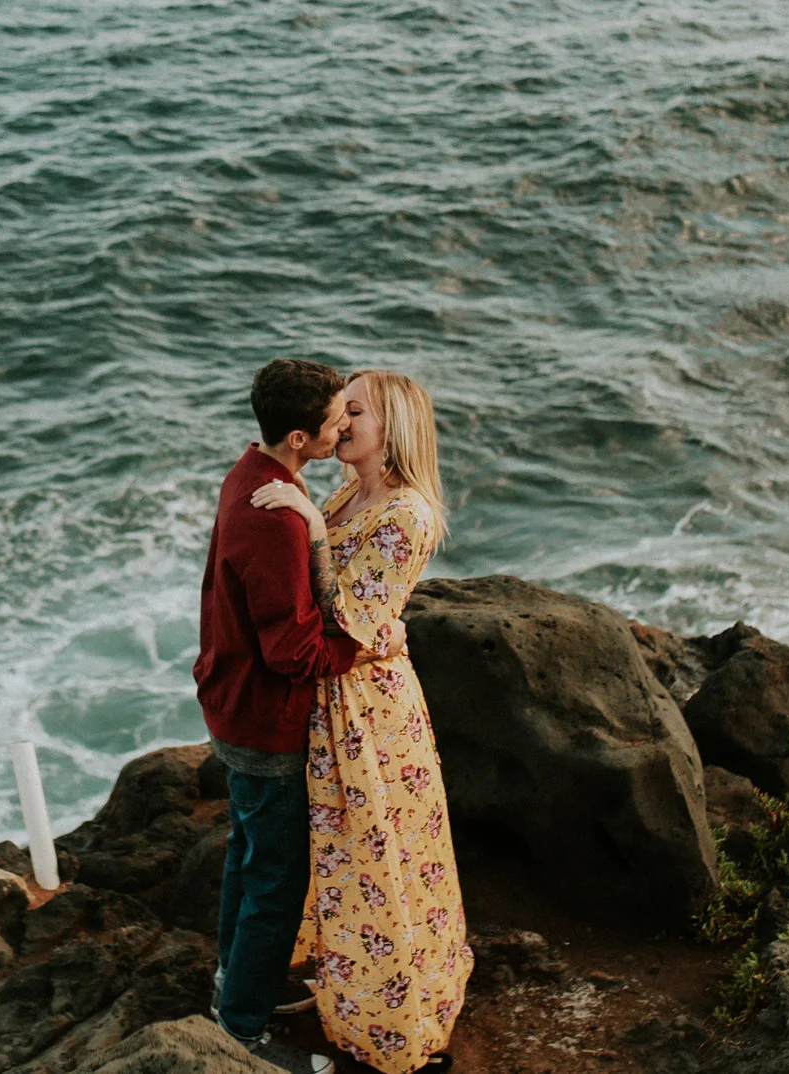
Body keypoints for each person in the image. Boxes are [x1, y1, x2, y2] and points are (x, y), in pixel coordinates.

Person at [253, 369, 472, 1074]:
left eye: (354, 411)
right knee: (339, 860)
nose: (338, 422)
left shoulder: (406, 514)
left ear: (393, 427)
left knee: (378, 858)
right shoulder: (350, 492)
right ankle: (344, 989)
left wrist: (311, 526)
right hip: (333, 700)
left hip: (369, 713)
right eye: (338, 410)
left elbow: (348, 620)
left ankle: (391, 1025)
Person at [194, 358, 362, 1074]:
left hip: (231, 703)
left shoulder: (252, 475)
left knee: (248, 855)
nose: (344, 427)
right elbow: (293, 651)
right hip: (265, 720)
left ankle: (233, 985)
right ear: (300, 438)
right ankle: (242, 1031)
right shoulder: (274, 517)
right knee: (277, 881)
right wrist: (362, 644)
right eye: (336, 419)